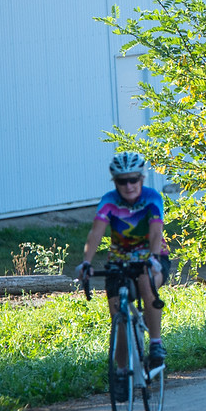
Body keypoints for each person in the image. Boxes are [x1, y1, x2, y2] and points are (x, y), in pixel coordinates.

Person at [78, 151, 169, 375]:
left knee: (146, 283)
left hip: (152, 258)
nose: (128, 186)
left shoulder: (152, 197)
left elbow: (156, 232)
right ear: (115, 182)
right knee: (118, 317)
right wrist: (86, 263)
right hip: (120, 260)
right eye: (122, 181)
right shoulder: (109, 201)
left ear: (141, 179)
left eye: (133, 179)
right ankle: (120, 373)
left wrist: (154, 259)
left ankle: (156, 344)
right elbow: (95, 233)